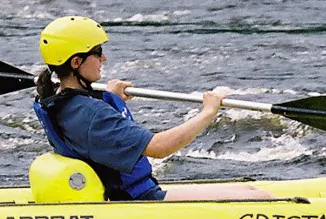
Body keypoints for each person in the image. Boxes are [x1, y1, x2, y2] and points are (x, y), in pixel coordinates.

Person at [32, 16, 274, 202]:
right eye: (97, 53)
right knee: (259, 197)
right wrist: (208, 113)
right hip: (138, 199)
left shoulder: (55, 99)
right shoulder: (92, 114)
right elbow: (159, 148)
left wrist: (112, 98)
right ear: (76, 62)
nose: (103, 59)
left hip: (125, 193)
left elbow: (90, 128)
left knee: (249, 188)